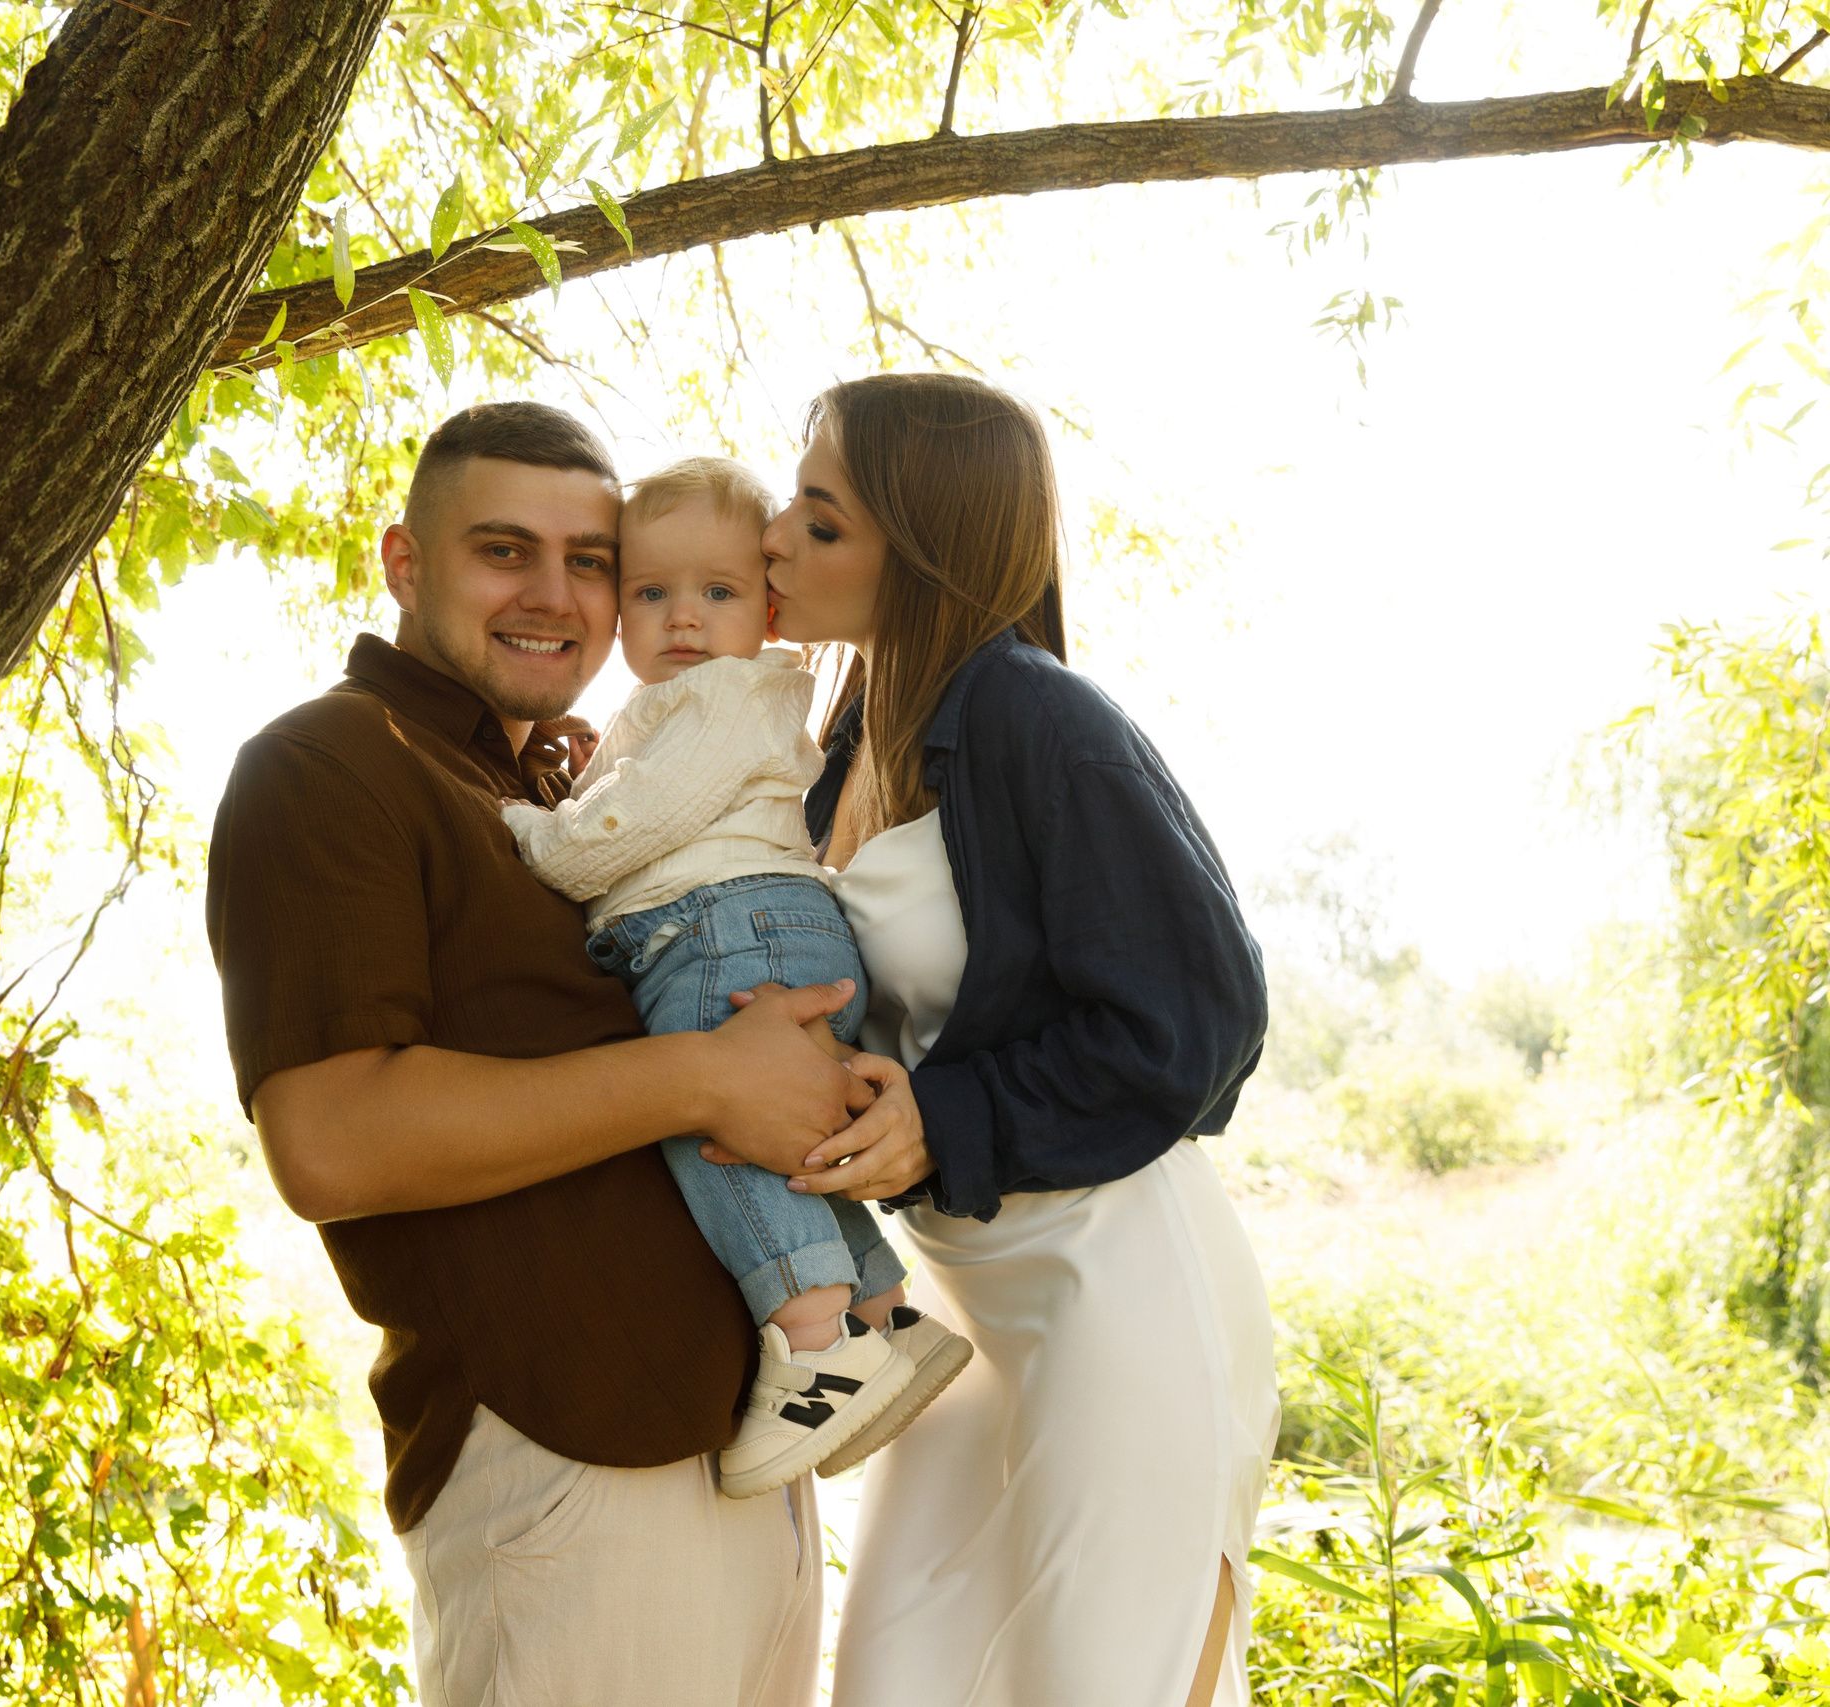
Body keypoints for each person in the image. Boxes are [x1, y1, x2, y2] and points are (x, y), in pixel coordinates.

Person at [205, 402, 923, 1707]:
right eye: (501, 550)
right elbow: (328, 1138)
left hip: (738, 1455)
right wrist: (708, 1075)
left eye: (589, 558)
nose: (553, 593)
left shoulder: (550, 787)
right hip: (566, 1469)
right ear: (405, 562)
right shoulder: (327, 766)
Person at [756, 373, 1279, 1707]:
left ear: (919, 549)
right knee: (891, 1678)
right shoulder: (841, 744)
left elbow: (1199, 1019)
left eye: (821, 522)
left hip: (1116, 1297)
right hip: (958, 1315)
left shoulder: (1049, 726)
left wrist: (944, 1115)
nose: (773, 537)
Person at [501, 456, 972, 1498]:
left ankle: (813, 1353)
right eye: (650, 592)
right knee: (784, 1131)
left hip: (720, 928)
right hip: (751, 920)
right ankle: (883, 1316)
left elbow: (625, 829)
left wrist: (538, 835)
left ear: (768, 609)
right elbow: (646, 788)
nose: (683, 618)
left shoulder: (721, 696)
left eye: (716, 593)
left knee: (713, 1125)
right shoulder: (702, 700)